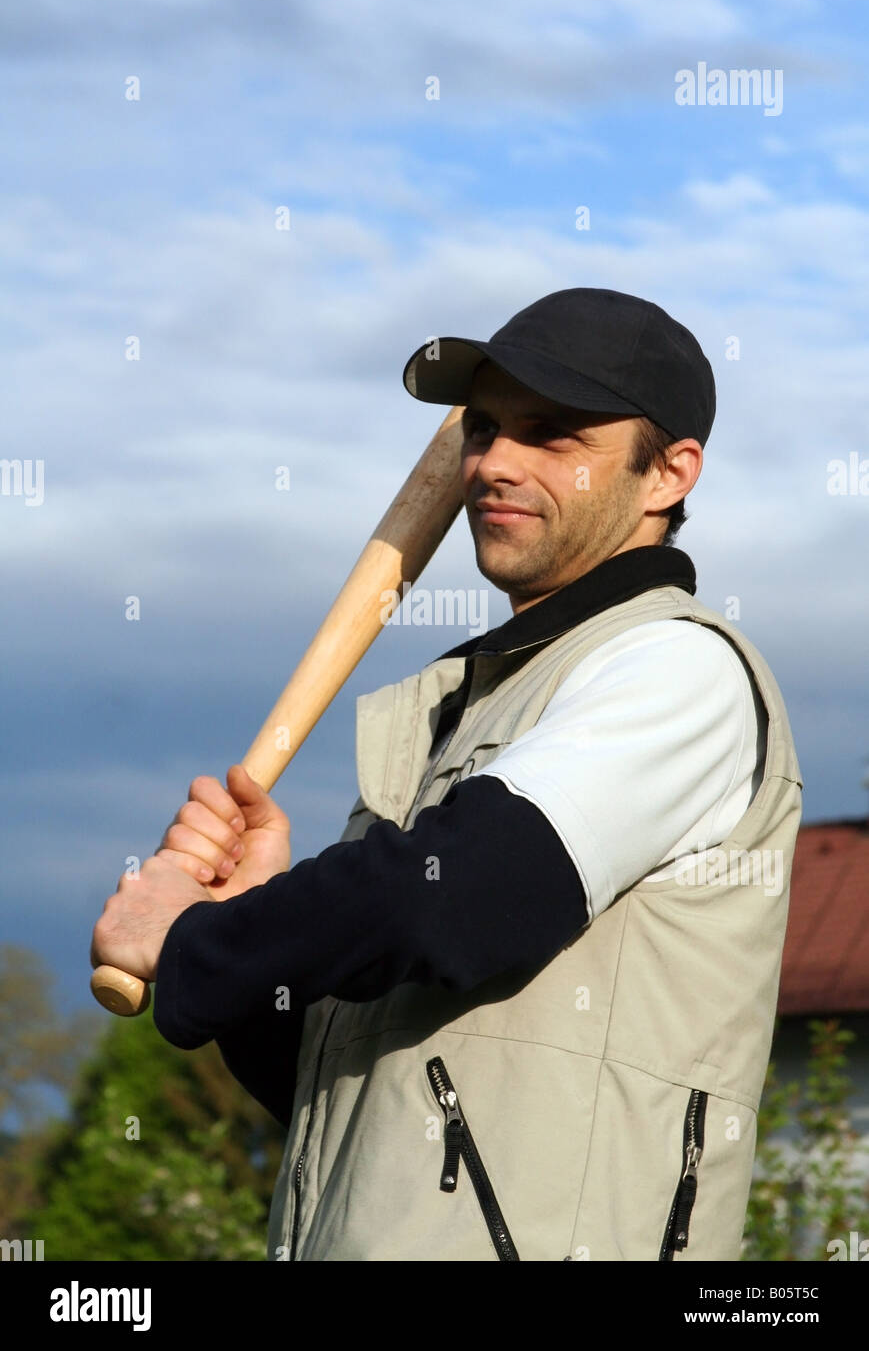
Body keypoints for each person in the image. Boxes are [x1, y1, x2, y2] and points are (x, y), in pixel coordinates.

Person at [91, 287, 803, 1261]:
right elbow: (335, 1078)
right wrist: (256, 936)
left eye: (550, 433)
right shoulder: (463, 714)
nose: (492, 464)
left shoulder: (677, 668)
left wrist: (192, 941)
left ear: (666, 473)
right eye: (482, 426)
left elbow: (457, 902)